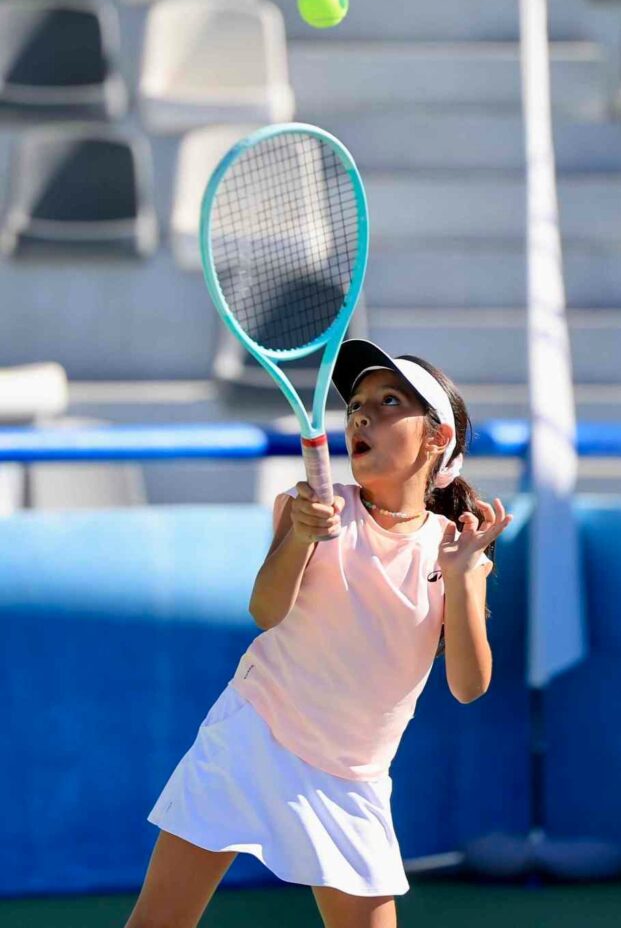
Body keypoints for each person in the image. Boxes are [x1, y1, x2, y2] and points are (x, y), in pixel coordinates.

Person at [124, 339, 513, 928]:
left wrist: (461, 576)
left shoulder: (455, 550)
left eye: (388, 402)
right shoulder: (308, 507)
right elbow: (266, 610)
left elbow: (467, 686)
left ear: (437, 437)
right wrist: (303, 535)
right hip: (252, 733)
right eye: (356, 405)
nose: (362, 416)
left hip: (353, 777)